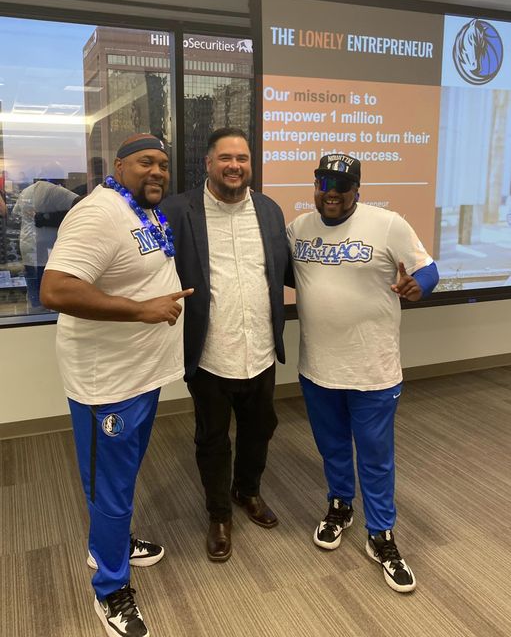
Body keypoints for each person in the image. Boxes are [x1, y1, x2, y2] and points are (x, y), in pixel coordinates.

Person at [40, 134, 193, 637]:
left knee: (120, 479)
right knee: (112, 486)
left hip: (141, 374)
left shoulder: (141, 211)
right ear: (119, 164)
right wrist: (141, 310)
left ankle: (111, 542)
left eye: (165, 165)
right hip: (107, 383)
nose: (158, 172)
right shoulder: (97, 213)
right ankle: (110, 588)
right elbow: (55, 288)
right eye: (146, 162)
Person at [287, 153, 439, 594]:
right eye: (323, 183)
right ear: (315, 184)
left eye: (341, 186)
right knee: (333, 448)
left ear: (358, 190)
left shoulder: (388, 224)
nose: (331, 192)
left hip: (373, 369)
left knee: (374, 457)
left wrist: (419, 285)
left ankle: (382, 535)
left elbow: (427, 268)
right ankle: (339, 506)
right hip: (317, 368)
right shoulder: (298, 228)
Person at [160, 127, 292, 562]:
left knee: (261, 429)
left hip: (260, 348)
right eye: (226, 158)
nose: (235, 166)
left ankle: (247, 491)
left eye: (243, 158)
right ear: (209, 164)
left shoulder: (270, 211)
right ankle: (219, 514)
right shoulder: (179, 210)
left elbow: (283, 271)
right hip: (211, 351)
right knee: (213, 438)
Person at [12, 180, 77, 310]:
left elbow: (16, 212)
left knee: (34, 288)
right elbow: (79, 204)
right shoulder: (54, 190)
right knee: (50, 289)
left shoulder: (26, 191)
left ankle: (35, 312)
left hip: (28, 245)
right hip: (47, 246)